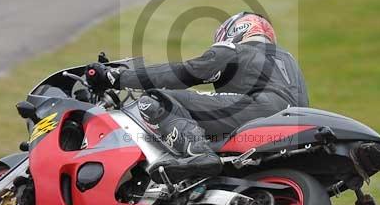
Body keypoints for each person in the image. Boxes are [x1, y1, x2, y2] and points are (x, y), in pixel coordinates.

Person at [86, 12, 309, 183]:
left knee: (156, 100)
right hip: (293, 126)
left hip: (259, 111)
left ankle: (198, 153)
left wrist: (118, 77)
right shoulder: (288, 60)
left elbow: (181, 74)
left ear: (235, 31)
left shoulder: (235, 50)